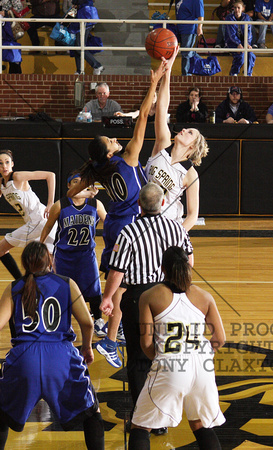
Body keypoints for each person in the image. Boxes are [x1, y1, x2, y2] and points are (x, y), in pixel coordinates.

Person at [67, 62, 167, 369]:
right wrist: (154, 82)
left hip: (112, 225)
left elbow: (71, 194)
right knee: (127, 285)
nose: (114, 139)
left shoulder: (99, 168)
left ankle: (110, 326)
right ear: (110, 152)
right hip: (129, 227)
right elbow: (144, 117)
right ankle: (109, 336)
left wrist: (90, 188)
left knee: (122, 282)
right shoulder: (128, 157)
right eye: (110, 141)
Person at [100, 182, 194, 436]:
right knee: (164, 355)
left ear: (139, 204)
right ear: (163, 203)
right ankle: (162, 418)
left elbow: (116, 271)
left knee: (139, 358)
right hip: (169, 295)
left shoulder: (129, 232)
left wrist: (108, 297)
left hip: (139, 297)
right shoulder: (176, 228)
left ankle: (144, 417)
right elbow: (189, 262)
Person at [0, 241, 104, 449]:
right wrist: (86, 348)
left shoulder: (14, 287)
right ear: (49, 259)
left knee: (2, 411)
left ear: (24, 263)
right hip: (61, 358)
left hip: (23, 358)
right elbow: (88, 323)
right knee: (92, 411)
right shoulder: (66, 283)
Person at [129, 246, 226, 449]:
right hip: (202, 368)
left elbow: (146, 343)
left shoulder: (149, 296)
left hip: (170, 364)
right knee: (201, 424)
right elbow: (220, 338)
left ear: (162, 268)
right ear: (189, 265)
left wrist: (162, 358)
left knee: (140, 425)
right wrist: (203, 355)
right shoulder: (205, 296)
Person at [145, 48, 209, 232]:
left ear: (193, 147)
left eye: (189, 132)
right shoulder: (163, 145)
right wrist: (168, 72)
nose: (183, 130)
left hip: (168, 226)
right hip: (143, 219)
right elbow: (162, 106)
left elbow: (192, 215)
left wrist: (177, 236)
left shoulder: (190, 174)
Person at [40, 170, 106, 333]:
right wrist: (41, 246)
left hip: (86, 255)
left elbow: (109, 223)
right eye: (75, 181)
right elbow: (48, 227)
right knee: (62, 289)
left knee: (93, 289)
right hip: (64, 256)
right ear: (69, 185)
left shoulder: (95, 204)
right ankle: (64, 324)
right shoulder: (60, 204)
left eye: (82, 181)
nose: (79, 184)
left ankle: (97, 319)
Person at [0, 149, 57, 281]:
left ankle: (21, 282)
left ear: (12, 164)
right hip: (37, 222)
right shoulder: (2, 184)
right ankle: (58, 288)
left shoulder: (18, 177)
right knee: (48, 261)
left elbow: (51, 175)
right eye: (1, 163)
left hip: (39, 219)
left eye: (7, 162)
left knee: (1, 249)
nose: (4, 166)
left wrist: (50, 203)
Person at [68, 0, 104, 75]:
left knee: (79, 45)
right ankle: (79, 70)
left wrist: (75, 2)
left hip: (85, 16)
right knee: (77, 46)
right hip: (82, 16)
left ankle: (97, 65)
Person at [224, 0, 256, 76]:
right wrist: (238, 44)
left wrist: (247, 43)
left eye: (238, 8)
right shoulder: (229, 18)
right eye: (235, 8)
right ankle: (234, 72)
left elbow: (248, 32)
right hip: (232, 43)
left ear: (243, 9)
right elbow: (231, 35)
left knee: (250, 54)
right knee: (241, 55)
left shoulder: (246, 17)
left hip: (243, 42)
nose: (236, 10)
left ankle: (248, 73)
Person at [175, 0, 204, 75]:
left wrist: (199, 27)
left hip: (189, 28)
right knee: (188, 52)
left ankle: (186, 75)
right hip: (180, 27)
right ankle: (206, 65)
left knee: (186, 52)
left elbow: (200, 14)